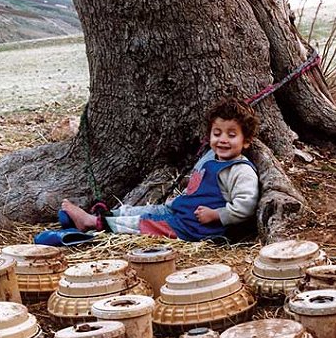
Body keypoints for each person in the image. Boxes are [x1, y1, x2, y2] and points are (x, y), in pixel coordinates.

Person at [61, 98, 260, 241]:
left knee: (146, 224)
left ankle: (93, 224)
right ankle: (108, 214)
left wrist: (216, 215)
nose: (223, 139)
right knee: (145, 210)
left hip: (194, 227)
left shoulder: (240, 171)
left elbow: (245, 206)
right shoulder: (211, 156)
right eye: (217, 133)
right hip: (180, 211)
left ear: (247, 141)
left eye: (232, 135)